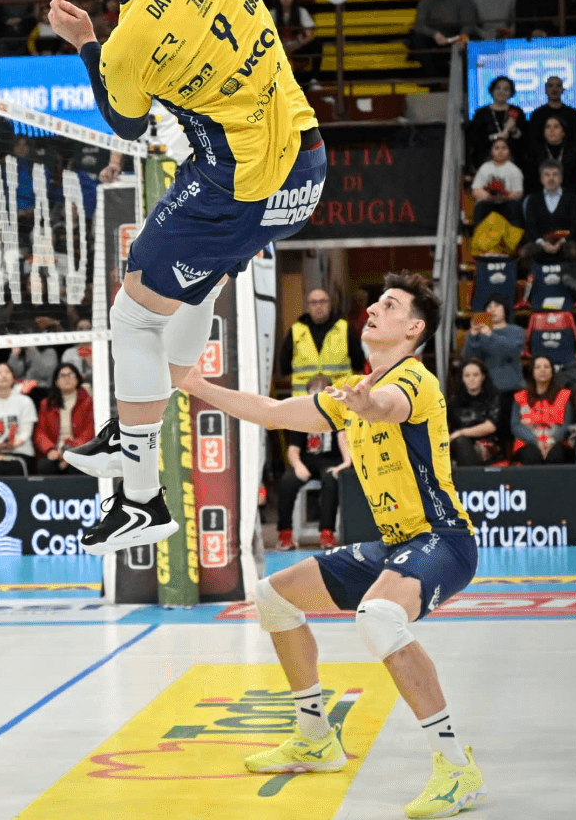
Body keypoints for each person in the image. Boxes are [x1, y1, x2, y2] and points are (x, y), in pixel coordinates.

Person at [44, 0, 326, 554]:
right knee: (186, 291)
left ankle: (140, 494)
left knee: (131, 314)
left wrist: (86, 44)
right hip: (306, 160)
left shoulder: (128, 40)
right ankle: (135, 426)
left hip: (239, 182)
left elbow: (125, 125)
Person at [178, 273, 485, 816]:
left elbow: (386, 406)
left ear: (413, 329)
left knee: (379, 617)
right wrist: (198, 386)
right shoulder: (349, 390)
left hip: (444, 539)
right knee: (274, 596)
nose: (374, 310)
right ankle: (315, 738)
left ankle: (457, 768)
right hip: (395, 544)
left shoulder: (415, 382)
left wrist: (367, 404)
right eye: (376, 302)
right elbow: (273, 412)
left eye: (389, 305)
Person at [274, 373, 349, 550]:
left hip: (331, 461)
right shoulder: (301, 417)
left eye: (320, 395)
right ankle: (285, 534)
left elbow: (343, 438)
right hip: (307, 462)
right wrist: (298, 465)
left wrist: (346, 462)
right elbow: (293, 449)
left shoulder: (336, 414)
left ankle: (327, 533)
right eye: (312, 394)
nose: (315, 399)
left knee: (331, 480)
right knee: (287, 481)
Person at [273, 288, 360, 396]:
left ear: (330, 304)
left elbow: (358, 365)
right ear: (307, 306)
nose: (318, 306)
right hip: (304, 400)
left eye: (323, 301)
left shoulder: (344, 328)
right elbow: (284, 368)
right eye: (313, 302)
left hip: (339, 398)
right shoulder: (296, 330)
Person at [510, 355, 576, 464]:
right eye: (538, 367)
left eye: (546, 367)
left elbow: (567, 425)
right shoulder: (520, 397)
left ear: (552, 371)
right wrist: (536, 442)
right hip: (528, 443)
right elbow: (515, 426)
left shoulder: (564, 395)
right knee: (532, 456)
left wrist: (551, 441)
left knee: (556, 456)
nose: (542, 370)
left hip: (557, 443)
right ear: (532, 372)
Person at [34, 363, 95, 473]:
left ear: (77, 379)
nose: (67, 378)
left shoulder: (88, 402)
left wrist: (72, 449)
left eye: (70, 375)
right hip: (55, 451)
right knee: (45, 466)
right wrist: (50, 450)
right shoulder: (46, 404)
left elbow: (90, 430)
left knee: (77, 467)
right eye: (62, 375)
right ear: (56, 382)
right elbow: (40, 433)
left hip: (79, 450)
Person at [448, 358, 504, 465]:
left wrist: (461, 432)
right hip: (462, 445)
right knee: (460, 443)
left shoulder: (494, 397)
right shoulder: (454, 403)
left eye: (475, 375)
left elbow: (490, 427)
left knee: (462, 441)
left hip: (490, 444)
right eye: (467, 375)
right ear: (462, 378)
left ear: (483, 377)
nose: (471, 379)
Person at [461, 298, 524, 393]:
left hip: (511, 387)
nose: (492, 309)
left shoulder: (516, 331)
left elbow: (513, 352)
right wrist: (473, 336)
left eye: (497, 305)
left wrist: (490, 335)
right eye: (489, 306)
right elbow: (468, 358)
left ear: (505, 309)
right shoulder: (479, 333)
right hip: (484, 388)